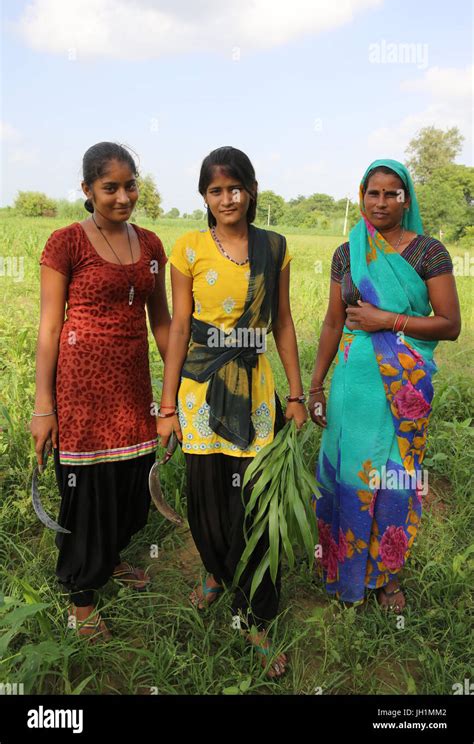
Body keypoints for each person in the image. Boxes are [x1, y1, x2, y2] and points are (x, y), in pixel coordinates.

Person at [157, 146, 307, 677]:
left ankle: (256, 616)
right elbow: (178, 328)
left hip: (255, 386)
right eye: (216, 190)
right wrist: (166, 404)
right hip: (199, 390)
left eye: (235, 188)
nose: (227, 198)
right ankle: (217, 574)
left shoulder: (275, 247)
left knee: (253, 506)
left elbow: (283, 323)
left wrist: (295, 392)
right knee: (205, 497)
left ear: (250, 190)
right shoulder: (189, 248)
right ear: (204, 196)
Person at [30, 142, 170, 640]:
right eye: (110, 187)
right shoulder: (66, 243)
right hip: (82, 387)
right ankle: (81, 595)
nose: (122, 196)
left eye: (130, 185)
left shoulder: (151, 245)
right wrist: (43, 407)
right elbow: (49, 329)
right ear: (87, 190)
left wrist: (177, 388)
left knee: (131, 481)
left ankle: (108, 559)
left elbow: (163, 323)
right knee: (85, 489)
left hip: (133, 385)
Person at [309, 159, 460, 613]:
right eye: (373, 193)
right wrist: (315, 386)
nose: (381, 202)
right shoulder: (347, 252)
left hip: (405, 388)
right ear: (362, 196)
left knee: (395, 479)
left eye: (392, 193)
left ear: (406, 199)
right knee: (350, 478)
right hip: (353, 388)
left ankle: (388, 579)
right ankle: (342, 568)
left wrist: (386, 320)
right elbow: (334, 321)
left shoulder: (429, 252)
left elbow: (450, 325)